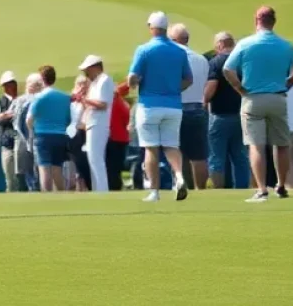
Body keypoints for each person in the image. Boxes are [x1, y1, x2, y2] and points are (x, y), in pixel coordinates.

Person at [223, 6, 293, 202]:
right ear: (274, 21)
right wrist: (284, 85)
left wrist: (239, 89)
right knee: (281, 144)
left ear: (257, 20)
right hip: (278, 97)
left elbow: (227, 69)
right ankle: (281, 185)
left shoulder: (245, 44)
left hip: (253, 98)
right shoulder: (286, 46)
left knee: (256, 145)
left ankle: (262, 188)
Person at [128, 11, 193, 203]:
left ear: (151, 28)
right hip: (173, 106)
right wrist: (173, 89)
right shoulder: (179, 51)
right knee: (172, 146)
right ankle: (179, 177)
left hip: (149, 105)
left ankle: (155, 192)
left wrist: (133, 83)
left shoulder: (144, 50)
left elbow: (133, 77)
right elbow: (188, 80)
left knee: (151, 149)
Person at [204, 32, 250, 190]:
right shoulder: (242, 60)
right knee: (240, 156)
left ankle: (219, 190)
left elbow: (211, 88)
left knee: (217, 156)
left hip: (220, 116)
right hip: (241, 114)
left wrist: (203, 101)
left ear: (219, 44)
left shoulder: (216, 62)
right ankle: (243, 188)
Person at [168, 23, 210, 189]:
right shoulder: (201, 59)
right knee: (198, 155)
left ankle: (182, 185)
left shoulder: (172, 57)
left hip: (176, 107)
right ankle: (200, 188)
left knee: (177, 152)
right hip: (198, 107)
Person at [26, 65, 72, 192]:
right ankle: (63, 194)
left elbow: (29, 119)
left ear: (41, 79)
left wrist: (32, 130)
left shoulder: (39, 97)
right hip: (60, 135)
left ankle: (47, 196)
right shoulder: (65, 97)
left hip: (42, 135)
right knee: (57, 169)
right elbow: (69, 119)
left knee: (44, 169)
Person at [78, 55, 115, 192]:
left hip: (99, 123)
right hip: (92, 123)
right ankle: (97, 189)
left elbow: (102, 104)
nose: (85, 73)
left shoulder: (105, 80)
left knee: (96, 159)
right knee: (92, 159)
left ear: (95, 67)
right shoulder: (94, 83)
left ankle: (102, 190)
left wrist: (85, 99)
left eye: (87, 70)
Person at [0, 71, 21, 192]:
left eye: (12, 83)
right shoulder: (1, 102)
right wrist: (6, 115)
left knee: (23, 178)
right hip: (8, 143)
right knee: (10, 179)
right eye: (7, 84)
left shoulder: (21, 99)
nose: (11, 86)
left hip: (23, 144)